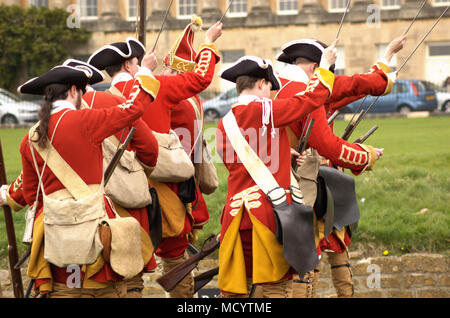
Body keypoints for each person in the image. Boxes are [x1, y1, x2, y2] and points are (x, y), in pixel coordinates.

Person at [88, 16, 222, 298]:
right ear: (129, 64)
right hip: (164, 189)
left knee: (130, 256)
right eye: (138, 61)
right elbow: (201, 78)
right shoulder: (158, 85)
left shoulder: (101, 100)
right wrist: (208, 43)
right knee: (176, 256)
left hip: (121, 192)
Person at [17, 52, 160, 298]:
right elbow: (133, 109)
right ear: (74, 91)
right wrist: (145, 72)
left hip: (57, 240)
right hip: (94, 232)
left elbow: (32, 196)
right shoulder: (86, 120)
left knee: (68, 287)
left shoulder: (29, 139)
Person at [275, 35, 406, 297]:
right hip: (303, 187)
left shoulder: (278, 88)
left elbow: (355, 86)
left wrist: (387, 56)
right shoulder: (308, 93)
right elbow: (329, 144)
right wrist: (365, 155)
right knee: (306, 255)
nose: (331, 78)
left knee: (324, 246)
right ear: (315, 68)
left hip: (278, 186)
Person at [215, 42, 337, 298]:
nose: (271, 93)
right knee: (276, 290)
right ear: (261, 84)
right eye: (269, 87)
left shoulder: (223, 124)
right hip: (268, 217)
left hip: (235, 219)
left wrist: (283, 154)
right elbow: (308, 100)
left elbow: (240, 163)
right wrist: (324, 67)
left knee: (240, 294)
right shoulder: (263, 110)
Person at [65, 55, 161, 298]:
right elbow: (149, 147)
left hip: (71, 211)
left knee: (74, 275)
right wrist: (138, 171)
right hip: (120, 204)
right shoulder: (110, 101)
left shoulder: (50, 121)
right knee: (128, 272)